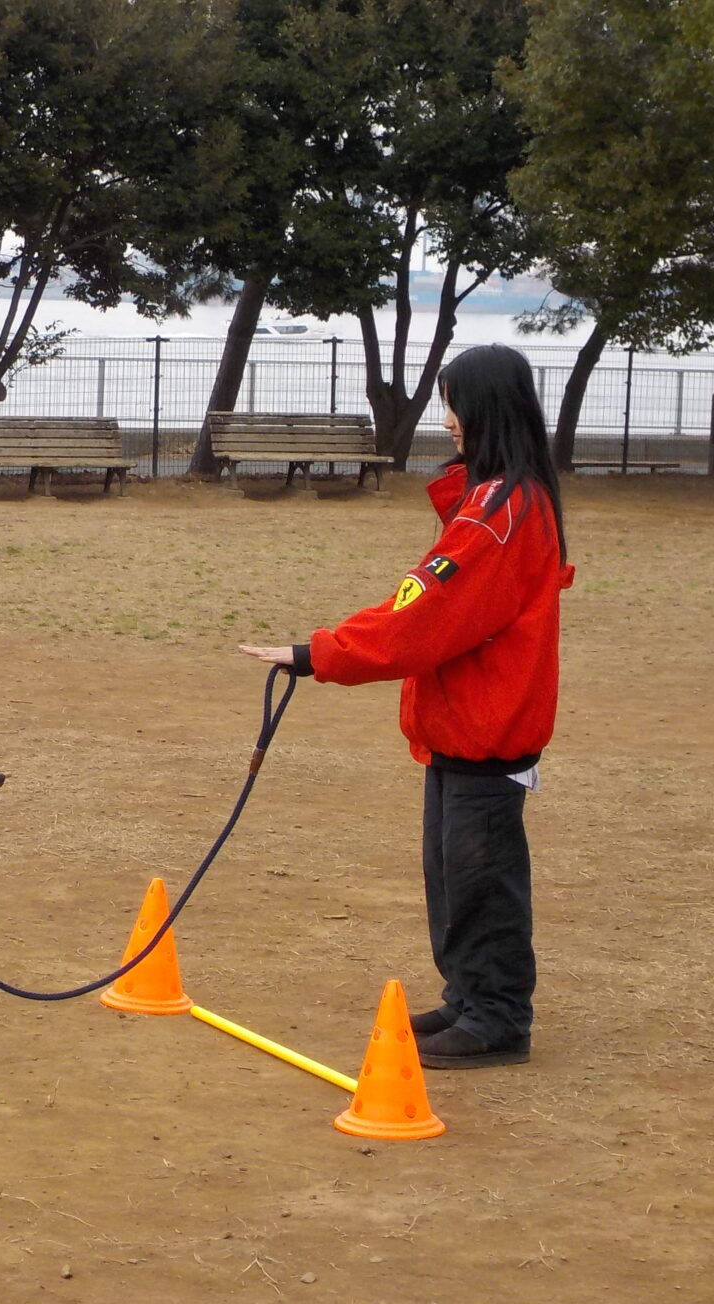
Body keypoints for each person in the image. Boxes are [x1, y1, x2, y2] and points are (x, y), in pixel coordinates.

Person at [240, 344, 574, 1069]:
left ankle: (497, 1018)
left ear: (485, 410)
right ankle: (469, 994)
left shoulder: (503, 514)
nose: (447, 420)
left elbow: (421, 617)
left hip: (489, 734)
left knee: (483, 882)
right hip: (463, 731)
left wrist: (319, 653)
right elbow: (421, 606)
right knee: (453, 874)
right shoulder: (494, 502)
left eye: (455, 405)